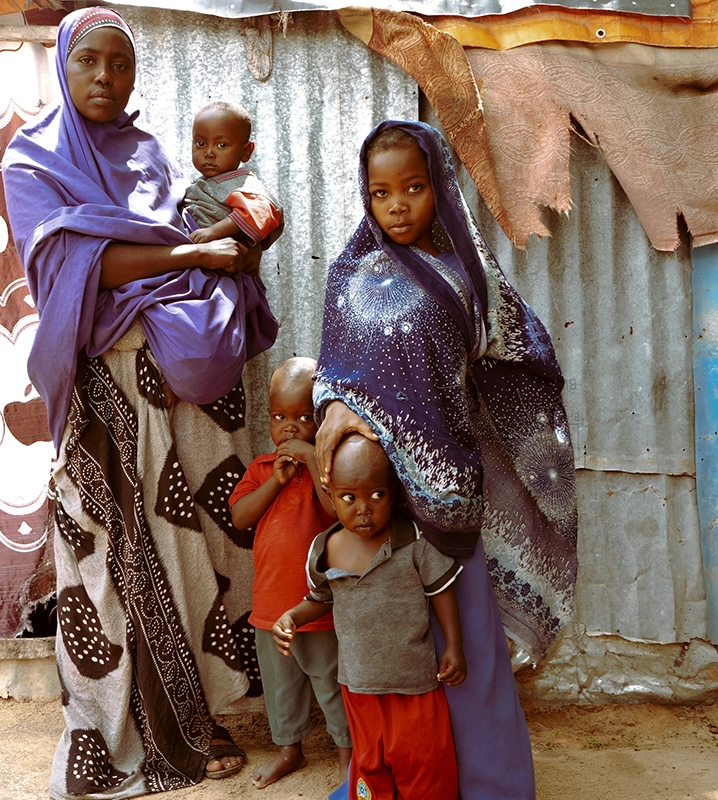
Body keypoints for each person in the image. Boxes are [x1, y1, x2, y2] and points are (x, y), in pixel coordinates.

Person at [2, 8, 277, 797]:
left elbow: (159, 243)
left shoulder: (152, 153)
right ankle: (112, 731)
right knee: (109, 565)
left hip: (177, 387)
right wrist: (190, 252)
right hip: (104, 388)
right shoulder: (32, 161)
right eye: (89, 61)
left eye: (120, 65)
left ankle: (201, 713)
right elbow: (73, 267)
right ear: (63, 65)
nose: (105, 78)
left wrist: (223, 245)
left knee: (198, 557)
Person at [313, 120, 579, 800]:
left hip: (446, 488)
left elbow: (523, 353)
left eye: (413, 188)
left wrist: (513, 415)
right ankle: (389, 781)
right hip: (375, 495)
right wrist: (335, 408)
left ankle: (493, 784)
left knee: (469, 653)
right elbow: (334, 376)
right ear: (364, 197)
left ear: (441, 188)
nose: (397, 205)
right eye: (380, 192)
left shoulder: (469, 277)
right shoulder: (349, 277)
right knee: (389, 653)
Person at [274, 433, 465, 800]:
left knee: (425, 765)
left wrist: (454, 645)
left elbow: (440, 589)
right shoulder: (326, 550)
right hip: (359, 686)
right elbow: (320, 598)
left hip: (415, 687)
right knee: (371, 767)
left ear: (392, 492)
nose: (363, 508)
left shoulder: (412, 540)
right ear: (330, 495)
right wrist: (293, 618)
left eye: (376, 495)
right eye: (349, 497)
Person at [228, 357, 351, 789]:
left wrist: (311, 461)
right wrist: (276, 481)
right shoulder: (261, 468)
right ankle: (289, 750)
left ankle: (346, 754)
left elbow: (338, 507)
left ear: (321, 420)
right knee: (282, 688)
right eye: (280, 417)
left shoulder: (332, 469)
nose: (290, 428)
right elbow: (241, 517)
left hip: (316, 608)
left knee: (331, 683)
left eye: (303, 418)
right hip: (269, 606)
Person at [182, 101, 283, 254]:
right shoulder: (196, 184)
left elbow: (263, 211)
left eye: (222, 145)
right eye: (200, 143)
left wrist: (214, 232)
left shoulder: (243, 183)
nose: (209, 153)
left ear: (246, 151)